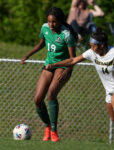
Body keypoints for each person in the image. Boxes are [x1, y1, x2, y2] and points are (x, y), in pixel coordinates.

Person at [46, 27, 114, 145]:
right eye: (90, 45)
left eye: (93, 45)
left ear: (101, 45)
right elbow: (72, 60)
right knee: (113, 119)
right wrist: (54, 64)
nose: (91, 48)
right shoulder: (91, 53)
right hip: (109, 91)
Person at [20, 7, 77, 142]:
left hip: (63, 66)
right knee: (38, 100)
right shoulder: (44, 28)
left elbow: (73, 58)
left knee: (51, 95)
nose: (51, 25)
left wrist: (67, 71)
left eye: (54, 22)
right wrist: (27, 55)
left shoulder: (66, 34)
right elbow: (41, 44)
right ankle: (47, 126)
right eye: (49, 22)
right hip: (49, 65)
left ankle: (53, 131)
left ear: (60, 21)